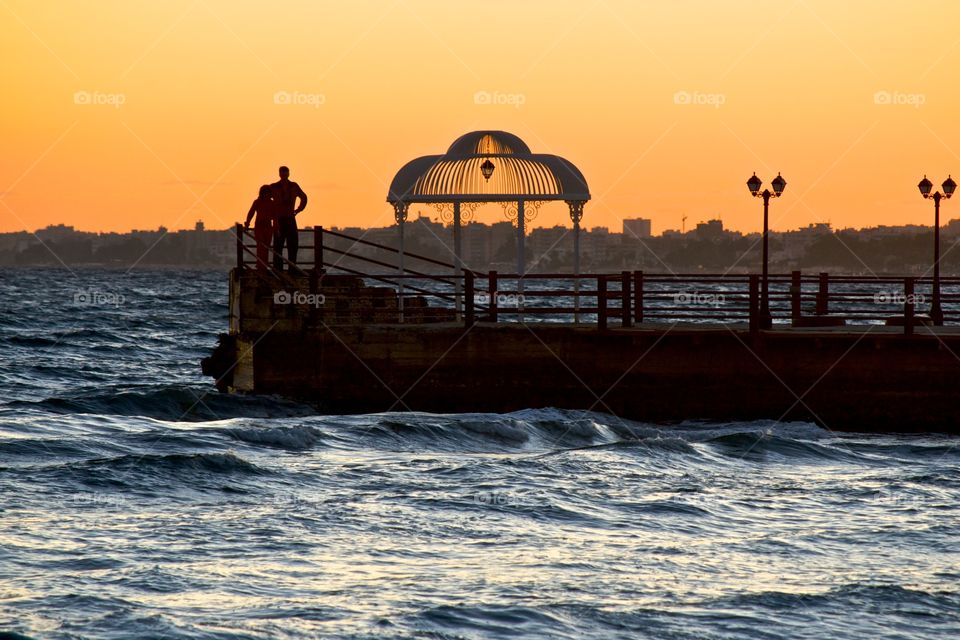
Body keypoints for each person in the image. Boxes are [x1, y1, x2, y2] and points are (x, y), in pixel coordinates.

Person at [271, 166, 308, 271]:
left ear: (288, 174)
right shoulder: (273, 187)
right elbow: (265, 199)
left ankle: (292, 268)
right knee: (278, 245)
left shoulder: (294, 186)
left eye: (285, 173)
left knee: (293, 245)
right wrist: (272, 212)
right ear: (279, 174)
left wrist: (298, 210)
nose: (284, 175)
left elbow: (304, 197)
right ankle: (278, 269)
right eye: (282, 173)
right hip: (279, 219)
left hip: (290, 218)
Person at [243, 185, 276, 271]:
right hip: (259, 226)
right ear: (262, 193)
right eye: (265, 192)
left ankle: (264, 264)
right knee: (260, 245)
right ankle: (260, 264)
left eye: (268, 192)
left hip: (268, 226)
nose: (266, 194)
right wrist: (247, 223)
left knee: (267, 246)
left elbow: (275, 216)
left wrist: (277, 227)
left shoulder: (272, 203)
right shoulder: (257, 202)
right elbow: (251, 213)